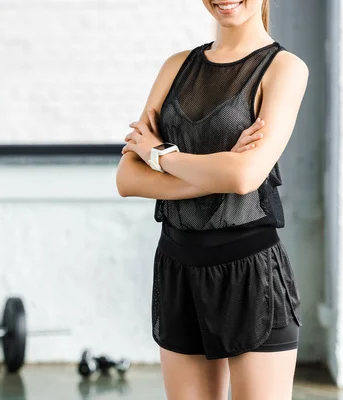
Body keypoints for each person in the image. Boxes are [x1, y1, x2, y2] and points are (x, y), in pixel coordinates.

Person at [115, 1, 309, 399]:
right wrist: (212, 171)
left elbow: (245, 177)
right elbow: (128, 177)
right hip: (178, 265)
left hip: (249, 274)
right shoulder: (176, 67)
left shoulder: (284, 69)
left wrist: (162, 156)